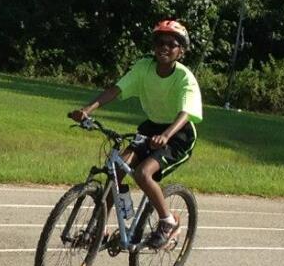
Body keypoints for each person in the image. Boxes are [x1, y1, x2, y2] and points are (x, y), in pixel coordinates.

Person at [69, 19, 202, 248]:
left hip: (178, 134)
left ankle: (168, 221)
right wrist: (87, 110)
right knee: (117, 170)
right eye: (160, 42)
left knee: (142, 173)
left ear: (181, 51)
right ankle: (97, 229)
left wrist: (166, 135)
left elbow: (185, 113)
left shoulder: (184, 78)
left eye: (172, 44)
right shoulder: (144, 67)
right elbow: (116, 90)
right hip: (151, 127)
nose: (164, 48)